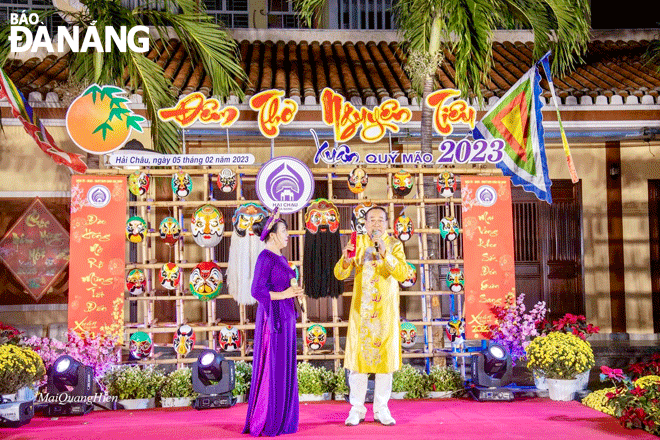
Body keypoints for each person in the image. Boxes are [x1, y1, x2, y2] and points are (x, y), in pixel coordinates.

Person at [334, 205, 408, 427]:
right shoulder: (357, 244)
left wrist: (385, 252)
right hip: (362, 313)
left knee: (385, 364)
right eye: (371, 220)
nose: (376, 224)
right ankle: (357, 408)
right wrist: (346, 259)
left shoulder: (395, 245)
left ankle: (381, 408)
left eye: (380, 220)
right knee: (358, 364)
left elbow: (403, 274)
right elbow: (340, 273)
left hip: (385, 312)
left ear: (386, 223)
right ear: (364, 224)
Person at [243, 209, 304, 437]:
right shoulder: (265, 257)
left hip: (286, 318)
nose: (288, 234)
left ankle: (284, 418)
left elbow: (281, 287)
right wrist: (285, 293)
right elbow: (257, 291)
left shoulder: (280, 258)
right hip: (274, 319)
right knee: (274, 366)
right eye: (284, 231)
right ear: (272, 234)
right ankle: (270, 418)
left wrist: (293, 293)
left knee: (285, 366)